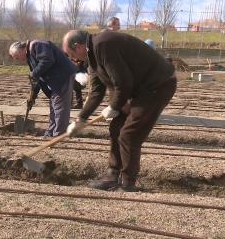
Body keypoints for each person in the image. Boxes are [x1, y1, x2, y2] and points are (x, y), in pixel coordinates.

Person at [62, 30, 177, 191]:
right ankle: (112, 174)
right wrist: (80, 119)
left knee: (129, 133)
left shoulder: (103, 45)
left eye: (72, 55)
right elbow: (96, 91)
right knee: (116, 128)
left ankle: (128, 182)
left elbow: (123, 83)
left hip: (157, 85)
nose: (74, 60)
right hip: (138, 88)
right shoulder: (92, 57)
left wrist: (114, 106)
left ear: (78, 46)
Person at [9, 40, 76, 137]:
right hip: (56, 79)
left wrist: (34, 73)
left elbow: (48, 60)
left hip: (63, 76)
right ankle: (51, 133)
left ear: (21, 50)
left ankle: (59, 135)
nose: (19, 60)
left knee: (60, 107)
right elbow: (37, 79)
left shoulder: (38, 45)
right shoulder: (30, 57)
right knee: (54, 106)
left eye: (17, 57)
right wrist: (33, 97)